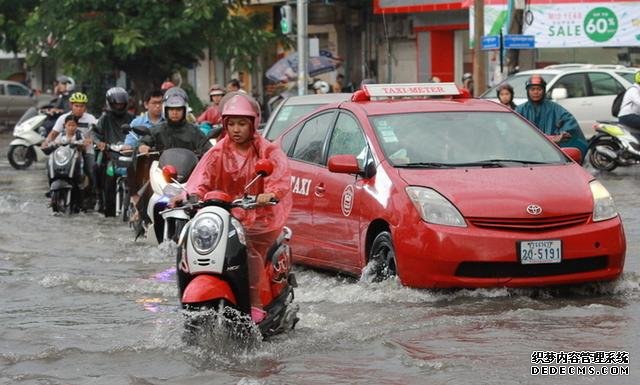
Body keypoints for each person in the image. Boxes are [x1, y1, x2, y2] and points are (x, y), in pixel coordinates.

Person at [179, 92, 292, 323]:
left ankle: (256, 304)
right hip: (223, 216)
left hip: (260, 218)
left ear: (253, 124)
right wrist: (189, 196)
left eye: (242, 123)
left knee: (248, 253)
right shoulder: (218, 151)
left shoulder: (266, 150)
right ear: (224, 124)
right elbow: (201, 180)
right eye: (231, 124)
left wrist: (268, 194)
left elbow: (278, 179)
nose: (236, 129)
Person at [42, 92, 97, 208]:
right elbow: (53, 134)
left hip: (84, 151)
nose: (79, 108)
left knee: (92, 169)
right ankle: (52, 190)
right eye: (76, 105)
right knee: (50, 164)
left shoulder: (91, 119)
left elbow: (98, 133)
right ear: (71, 105)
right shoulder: (63, 118)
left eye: (81, 106)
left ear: (85, 107)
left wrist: (91, 141)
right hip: (64, 152)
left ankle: (93, 194)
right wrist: (46, 142)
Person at [516, 74, 588, 158]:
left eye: (539, 89)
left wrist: (560, 136)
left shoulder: (555, 108)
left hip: (551, 155)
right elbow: (513, 132)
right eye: (532, 89)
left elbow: (570, 124)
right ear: (528, 91)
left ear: (544, 90)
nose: (536, 92)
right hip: (526, 156)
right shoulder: (520, 110)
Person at [93, 87, 136, 215]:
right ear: (110, 103)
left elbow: (139, 134)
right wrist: (99, 143)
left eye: (121, 104)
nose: (119, 106)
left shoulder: (132, 119)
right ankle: (100, 198)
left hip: (129, 156)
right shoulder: (105, 118)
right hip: (110, 156)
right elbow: (95, 134)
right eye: (116, 104)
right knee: (97, 168)